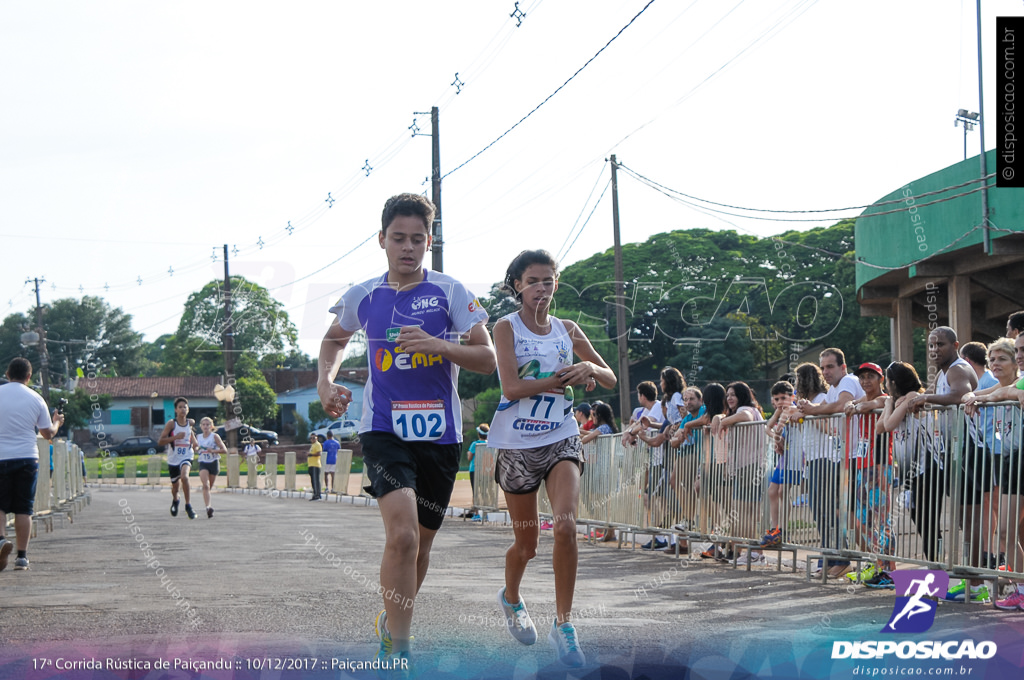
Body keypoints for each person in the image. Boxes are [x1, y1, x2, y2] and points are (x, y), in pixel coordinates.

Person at [316, 193, 495, 669]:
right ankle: (401, 650)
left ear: (430, 242)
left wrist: (439, 345)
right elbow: (333, 340)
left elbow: (487, 359)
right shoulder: (364, 295)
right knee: (403, 537)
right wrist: (324, 381)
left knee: (423, 543)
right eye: (399, 238)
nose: (408, 247)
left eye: (418, 239)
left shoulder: (452, 292)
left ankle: (390, 621)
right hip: (383, 429)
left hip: (440, 435)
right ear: (382, 240)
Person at [488, 249, 615, 668]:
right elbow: (510, 388)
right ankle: (511, 597)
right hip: (517, 444)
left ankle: (564, 626)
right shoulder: (504, 328)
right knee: (528, 545)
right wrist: (563, 377)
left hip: (561, 437)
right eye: (533, 281)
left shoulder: (568, 328)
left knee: (566, 527)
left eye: (548, 280)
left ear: (556, 284)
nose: (542, 287)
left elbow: (609, 375)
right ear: (518, 287)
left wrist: (589, 370)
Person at [795, 349, 865, 576]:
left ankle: (846, 560)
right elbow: (834, 420)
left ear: (843, 367)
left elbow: (839, 409)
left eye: (830, 366)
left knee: (851, 513)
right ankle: (834, 558)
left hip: (856, 455)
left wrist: (811, 412)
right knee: (827, 510)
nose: (825, 372)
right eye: (822, 367)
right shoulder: (833, 389)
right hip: (840, 456)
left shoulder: (849, 381)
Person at [0, 358, 64, 571]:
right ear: (29, 377)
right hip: (27, 457)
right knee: (24, 508)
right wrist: (57, 421)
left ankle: (1, 541)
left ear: (8, 374)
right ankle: (22, 557)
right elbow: (48, 434)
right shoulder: (36, 399)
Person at [841, 362, 892, 581]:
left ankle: (888, 570)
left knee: (881, 519)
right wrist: (854, 404)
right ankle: (875, 565)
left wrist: (857, 406)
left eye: (870, 376)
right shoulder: (863, 398)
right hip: (863, 464)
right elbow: (855, 403)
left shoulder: (885, 399)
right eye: (862, 378)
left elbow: (876, 403)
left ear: (881, 379)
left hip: (880, 465)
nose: (865, 381)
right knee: (865, 519)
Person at [711, 381, 765, 565]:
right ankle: (751, 551)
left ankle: (755, 552)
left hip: (750, 466)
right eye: (727, 395)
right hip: (746, 467)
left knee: (744, 512)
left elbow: (747, 416)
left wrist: (723, 421)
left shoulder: (747, 409)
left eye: (733, 394)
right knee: (745, 512)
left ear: (743, 395)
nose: (729, 398)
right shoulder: (741, 412)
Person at [762, 380, 798, 549]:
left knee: (784, 490)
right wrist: (777, 439)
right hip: (786, 455)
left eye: (784, 398)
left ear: (792, 396)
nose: (780, 402)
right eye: (776, 399)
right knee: (772, 490)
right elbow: (768, 428)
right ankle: (774, 527)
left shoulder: (794, 408)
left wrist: (778, 438)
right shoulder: (779, 410)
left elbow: (777, 429)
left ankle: (782, 529)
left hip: (797, 454)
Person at [157, 397, 198, 520]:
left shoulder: (190, 423)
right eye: (180, 407)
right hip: (173, 458)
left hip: (187, 455)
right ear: (175, 410)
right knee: (175, 487)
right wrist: (175, 437)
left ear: (188, 409)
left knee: (185, 477)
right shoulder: (171, 424)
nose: (183, 409)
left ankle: (188, 505)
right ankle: (176, 500)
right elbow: (160, 442)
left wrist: (195, 445)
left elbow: (191, 434)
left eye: (185, 407)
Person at [195, 417, 227, 518]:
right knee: (206, 485)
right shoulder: (198, 437)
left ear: (211, 426)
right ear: (200, 426)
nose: (205, 426)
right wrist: (196, 448)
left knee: (209, 487)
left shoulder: (215, 436)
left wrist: (213, 451)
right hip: (203, 463)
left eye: (207, 424)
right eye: (203, 424)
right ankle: (208, 507)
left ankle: (208, 505)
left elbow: (224, 450)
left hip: (213, 462)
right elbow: (194, 447)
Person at [466, 424, 488, 521]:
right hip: (486, 470)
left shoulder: (475, 444)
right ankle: (485, 514)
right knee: (485, 492)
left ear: (479, 434)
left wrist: (468, 453)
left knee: (475, 492)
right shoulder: (489, 444)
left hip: (474, 470)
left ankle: (476, 513)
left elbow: (469, 457)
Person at [322, 430, 341, 496]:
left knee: (326, 474)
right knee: (333, 474)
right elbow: (339, 450)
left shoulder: (326, 443)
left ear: (327, 436)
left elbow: (324, 451)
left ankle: (327, 487)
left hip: (327, 460)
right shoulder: (337, 442)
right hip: (334, 460)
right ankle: (333, 488)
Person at [307, 433, 323, 501]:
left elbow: (319, 453)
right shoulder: (313, 445)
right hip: (311, 465)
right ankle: (315, 494)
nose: (312, 439)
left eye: (314, 438)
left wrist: (311, 454)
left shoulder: (317, 444)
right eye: (311, 438)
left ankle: (317, 495)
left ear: (317, 438)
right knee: (313, 481)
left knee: (316, 481)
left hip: (315, 465)